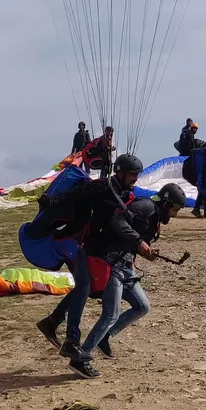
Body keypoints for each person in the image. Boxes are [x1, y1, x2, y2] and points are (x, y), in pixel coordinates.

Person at [69, 153, 162, 379]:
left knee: (142, 306)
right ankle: (80, 357)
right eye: (132, 174)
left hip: (125, 264)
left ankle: (105, 338)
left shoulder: (131, 200)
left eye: (136, 175)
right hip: (107, 261)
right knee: (110, 313)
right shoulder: (104, 190)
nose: (135, 179)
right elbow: (115, 222)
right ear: (120, 172)